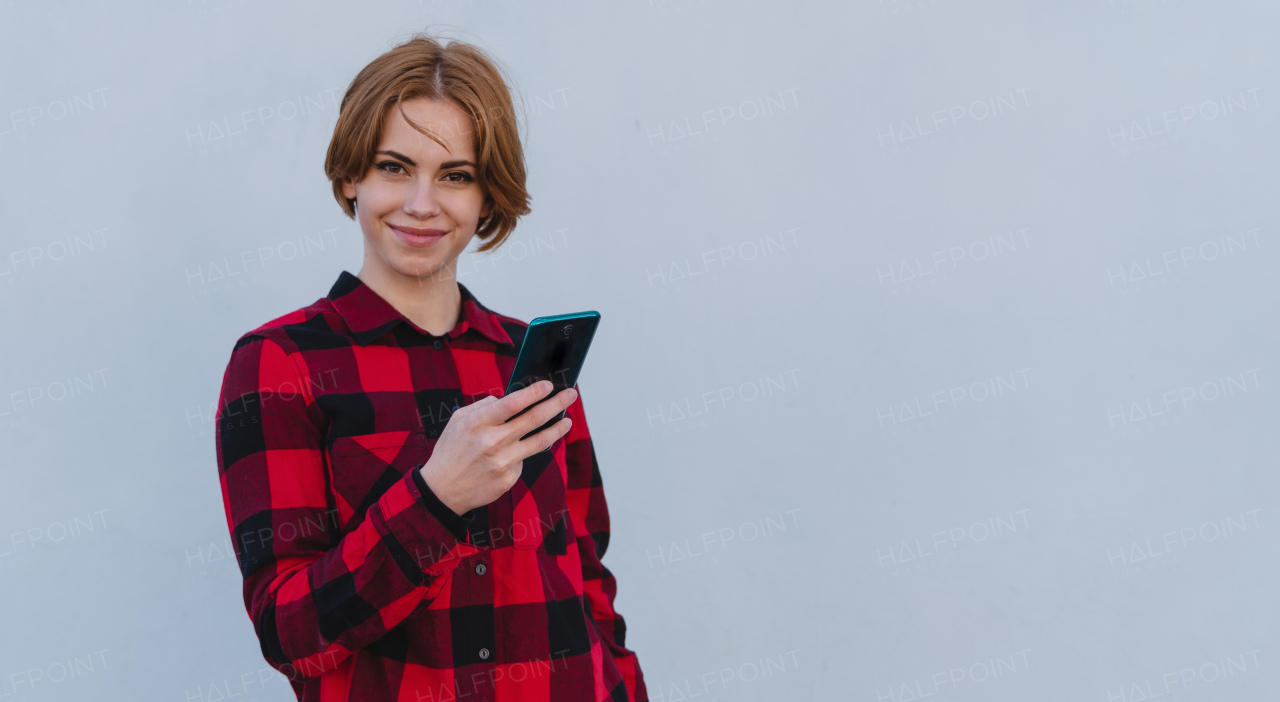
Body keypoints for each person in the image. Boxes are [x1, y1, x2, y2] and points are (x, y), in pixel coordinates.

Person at [213, 33, 647, 702]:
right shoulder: (280, 363)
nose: (422, 203)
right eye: (394, 167)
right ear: (351, 175)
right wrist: (436, 499)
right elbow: (291, 634)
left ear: (485, 196)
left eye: (456, 175)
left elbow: (589, 581)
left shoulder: (525, 359)